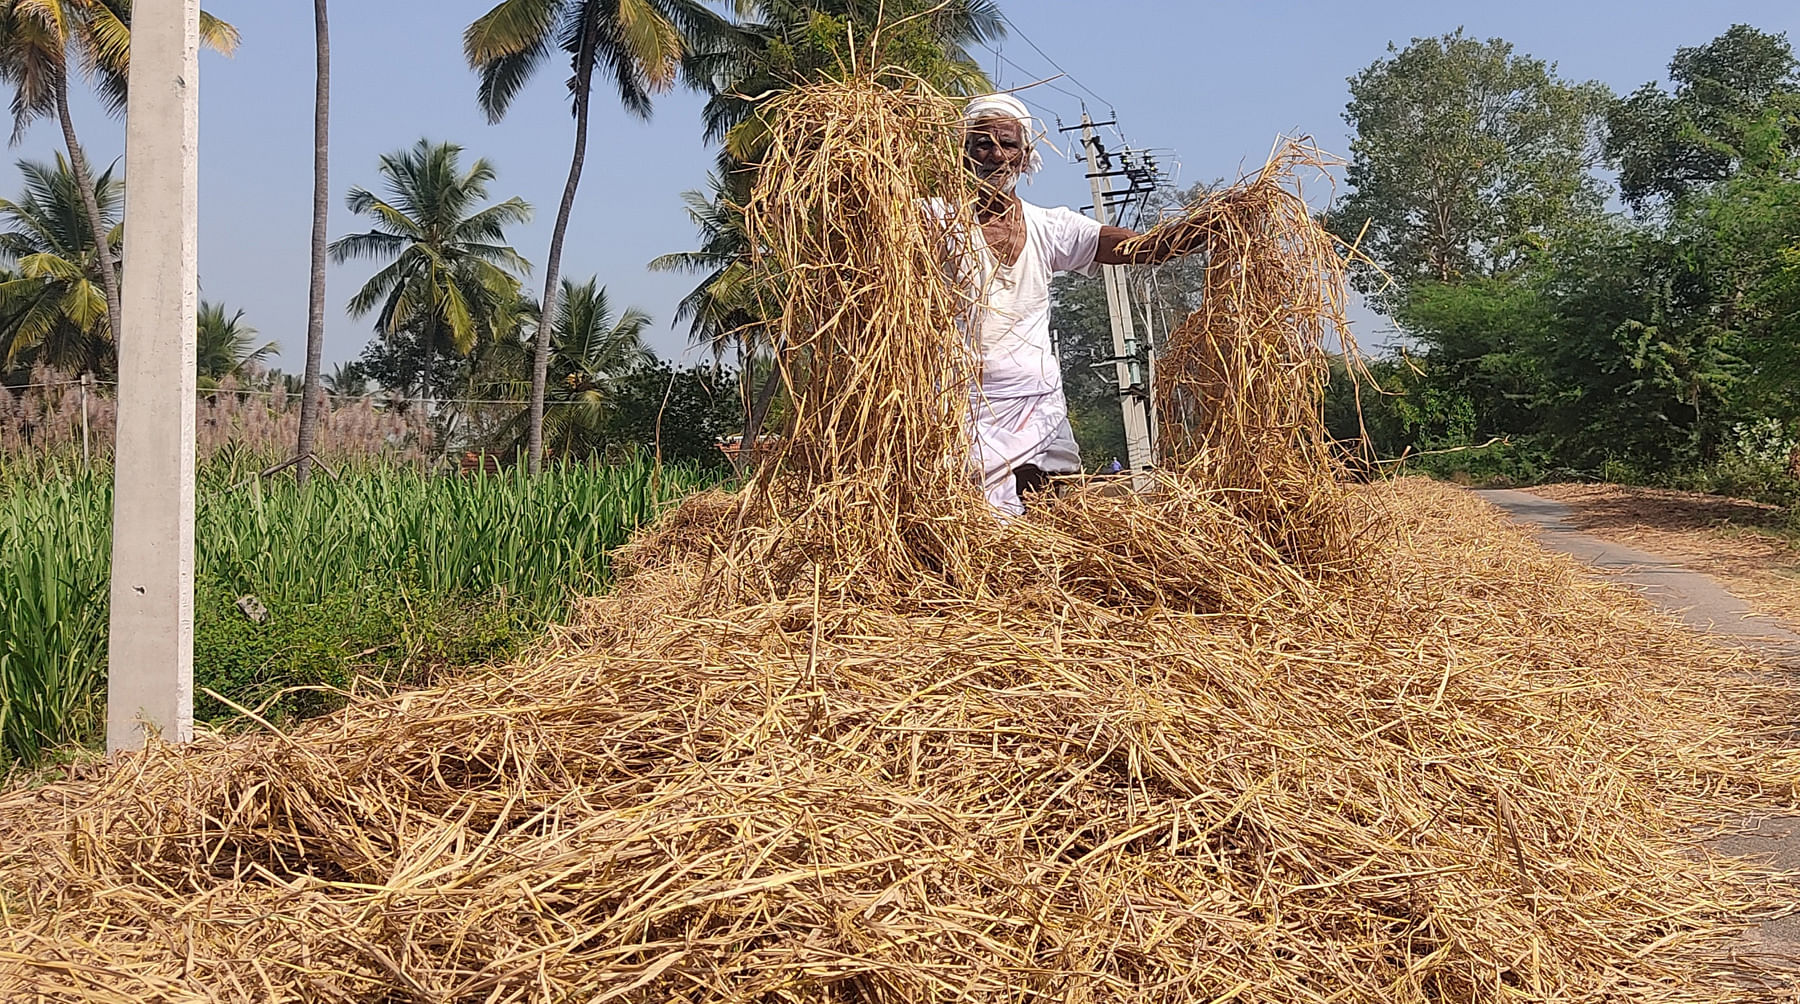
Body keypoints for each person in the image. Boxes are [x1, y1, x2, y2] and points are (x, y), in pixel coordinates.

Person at [958, 93, 1179, 515]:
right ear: (965, 155)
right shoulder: (932, 222)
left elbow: (1130, 246)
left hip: (1035, 397)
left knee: (1050, 506)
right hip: (962, 402)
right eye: (982, 144)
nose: (996, 155)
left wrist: (1207, 227)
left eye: (1008, 144)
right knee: (969, 516)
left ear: (1025, 157)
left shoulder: (1050, 226)